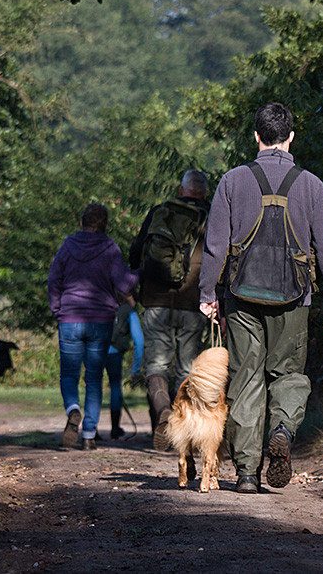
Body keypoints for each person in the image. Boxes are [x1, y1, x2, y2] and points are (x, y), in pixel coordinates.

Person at [199, 102, 323, 494]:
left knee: (245, 379)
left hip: (240, 296)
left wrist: (207, 293)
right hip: (294, 299)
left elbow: (215, 246)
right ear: (291, 136)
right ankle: (282, 429)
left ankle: (247, 473)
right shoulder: (312, 185)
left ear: (256, 136)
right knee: (289, 375)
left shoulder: (231, 182)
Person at [128, 170, 212, 450]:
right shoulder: (212, 216)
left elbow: (136, 251)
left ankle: (162, 409)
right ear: (205, 193)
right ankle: (181, 427)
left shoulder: (159, 212)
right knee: (187, 369)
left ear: (181, 189)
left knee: (155, 365)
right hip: (194, 301)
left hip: (156, 299)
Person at [48, 203, 138, 450]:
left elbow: (54, 279)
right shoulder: (110, 249)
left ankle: (72, 409)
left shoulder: (67, 247)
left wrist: (57, 308)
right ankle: (88, 435)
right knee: (95, 379)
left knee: (68, 374)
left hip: (70, 317)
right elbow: (123, 284)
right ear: (105, 225)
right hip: (100, 321)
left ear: (81, 222)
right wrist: (141, 272)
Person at [107, 293, 145, 439]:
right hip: (114, 352)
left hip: (95, 349)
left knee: (93, 386)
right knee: (115, 387)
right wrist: (135, 369)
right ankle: (115, 428)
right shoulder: (129, 311)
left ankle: (90, 431)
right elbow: (139, 341)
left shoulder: (101, 304)